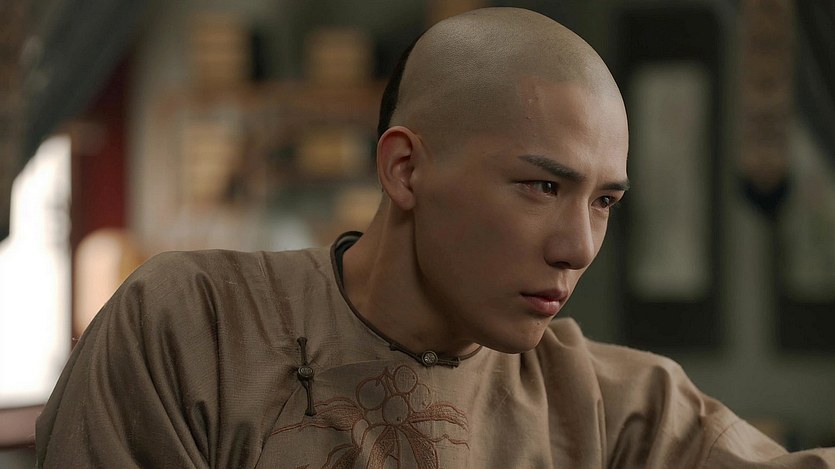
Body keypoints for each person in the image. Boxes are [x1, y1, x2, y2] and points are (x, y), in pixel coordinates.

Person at [36, 7, 834, 468]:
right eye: (542, 186)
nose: (578, 246)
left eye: (602, 201)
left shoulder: (613, 407)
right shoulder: (193, 326)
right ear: (406, 169)